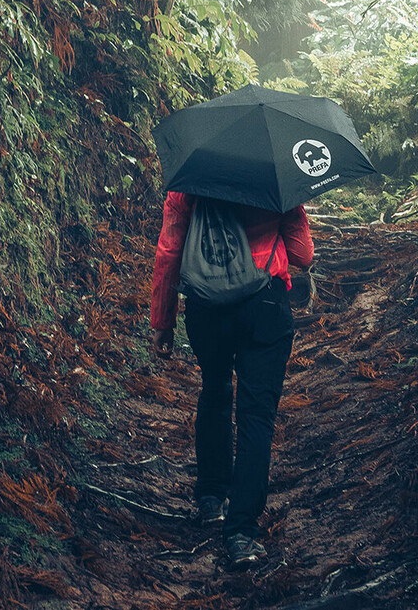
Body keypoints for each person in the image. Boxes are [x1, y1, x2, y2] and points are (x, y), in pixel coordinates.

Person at [149, 191, 314, 567]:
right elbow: (302, 255)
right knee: (257, 416)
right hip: (265, 304)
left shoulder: (189, 180)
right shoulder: (274, 181)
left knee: (215, 388)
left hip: (206, 308)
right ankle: (241, 533)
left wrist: (163, 320)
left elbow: (170, 250)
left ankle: (211, 497)